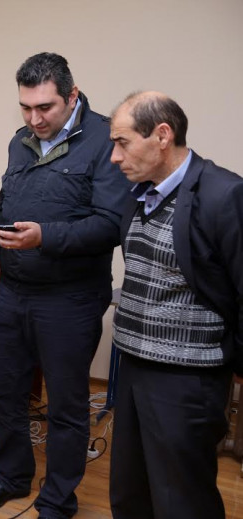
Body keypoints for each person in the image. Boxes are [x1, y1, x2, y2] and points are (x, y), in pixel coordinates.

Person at [0, 52, 130, 518]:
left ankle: (57, 499)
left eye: (44, 107)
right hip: (12, 292)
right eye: (26, 107)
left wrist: (44, 237)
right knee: (4, 392)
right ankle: (12, 477)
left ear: (72, 95)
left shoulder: (106, 140)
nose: (34, 118)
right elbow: (4, 207)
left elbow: (110, 225)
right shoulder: (19, 141)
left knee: (66, 406)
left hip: (70, 298)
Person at [108, 91, 243, 519]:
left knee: (182, 501)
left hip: (186, 381)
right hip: (133, 368)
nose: (114, 157)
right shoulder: (137, 193)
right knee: (130, 493)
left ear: (162, 135)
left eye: (122, 142)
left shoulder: (223, 194)